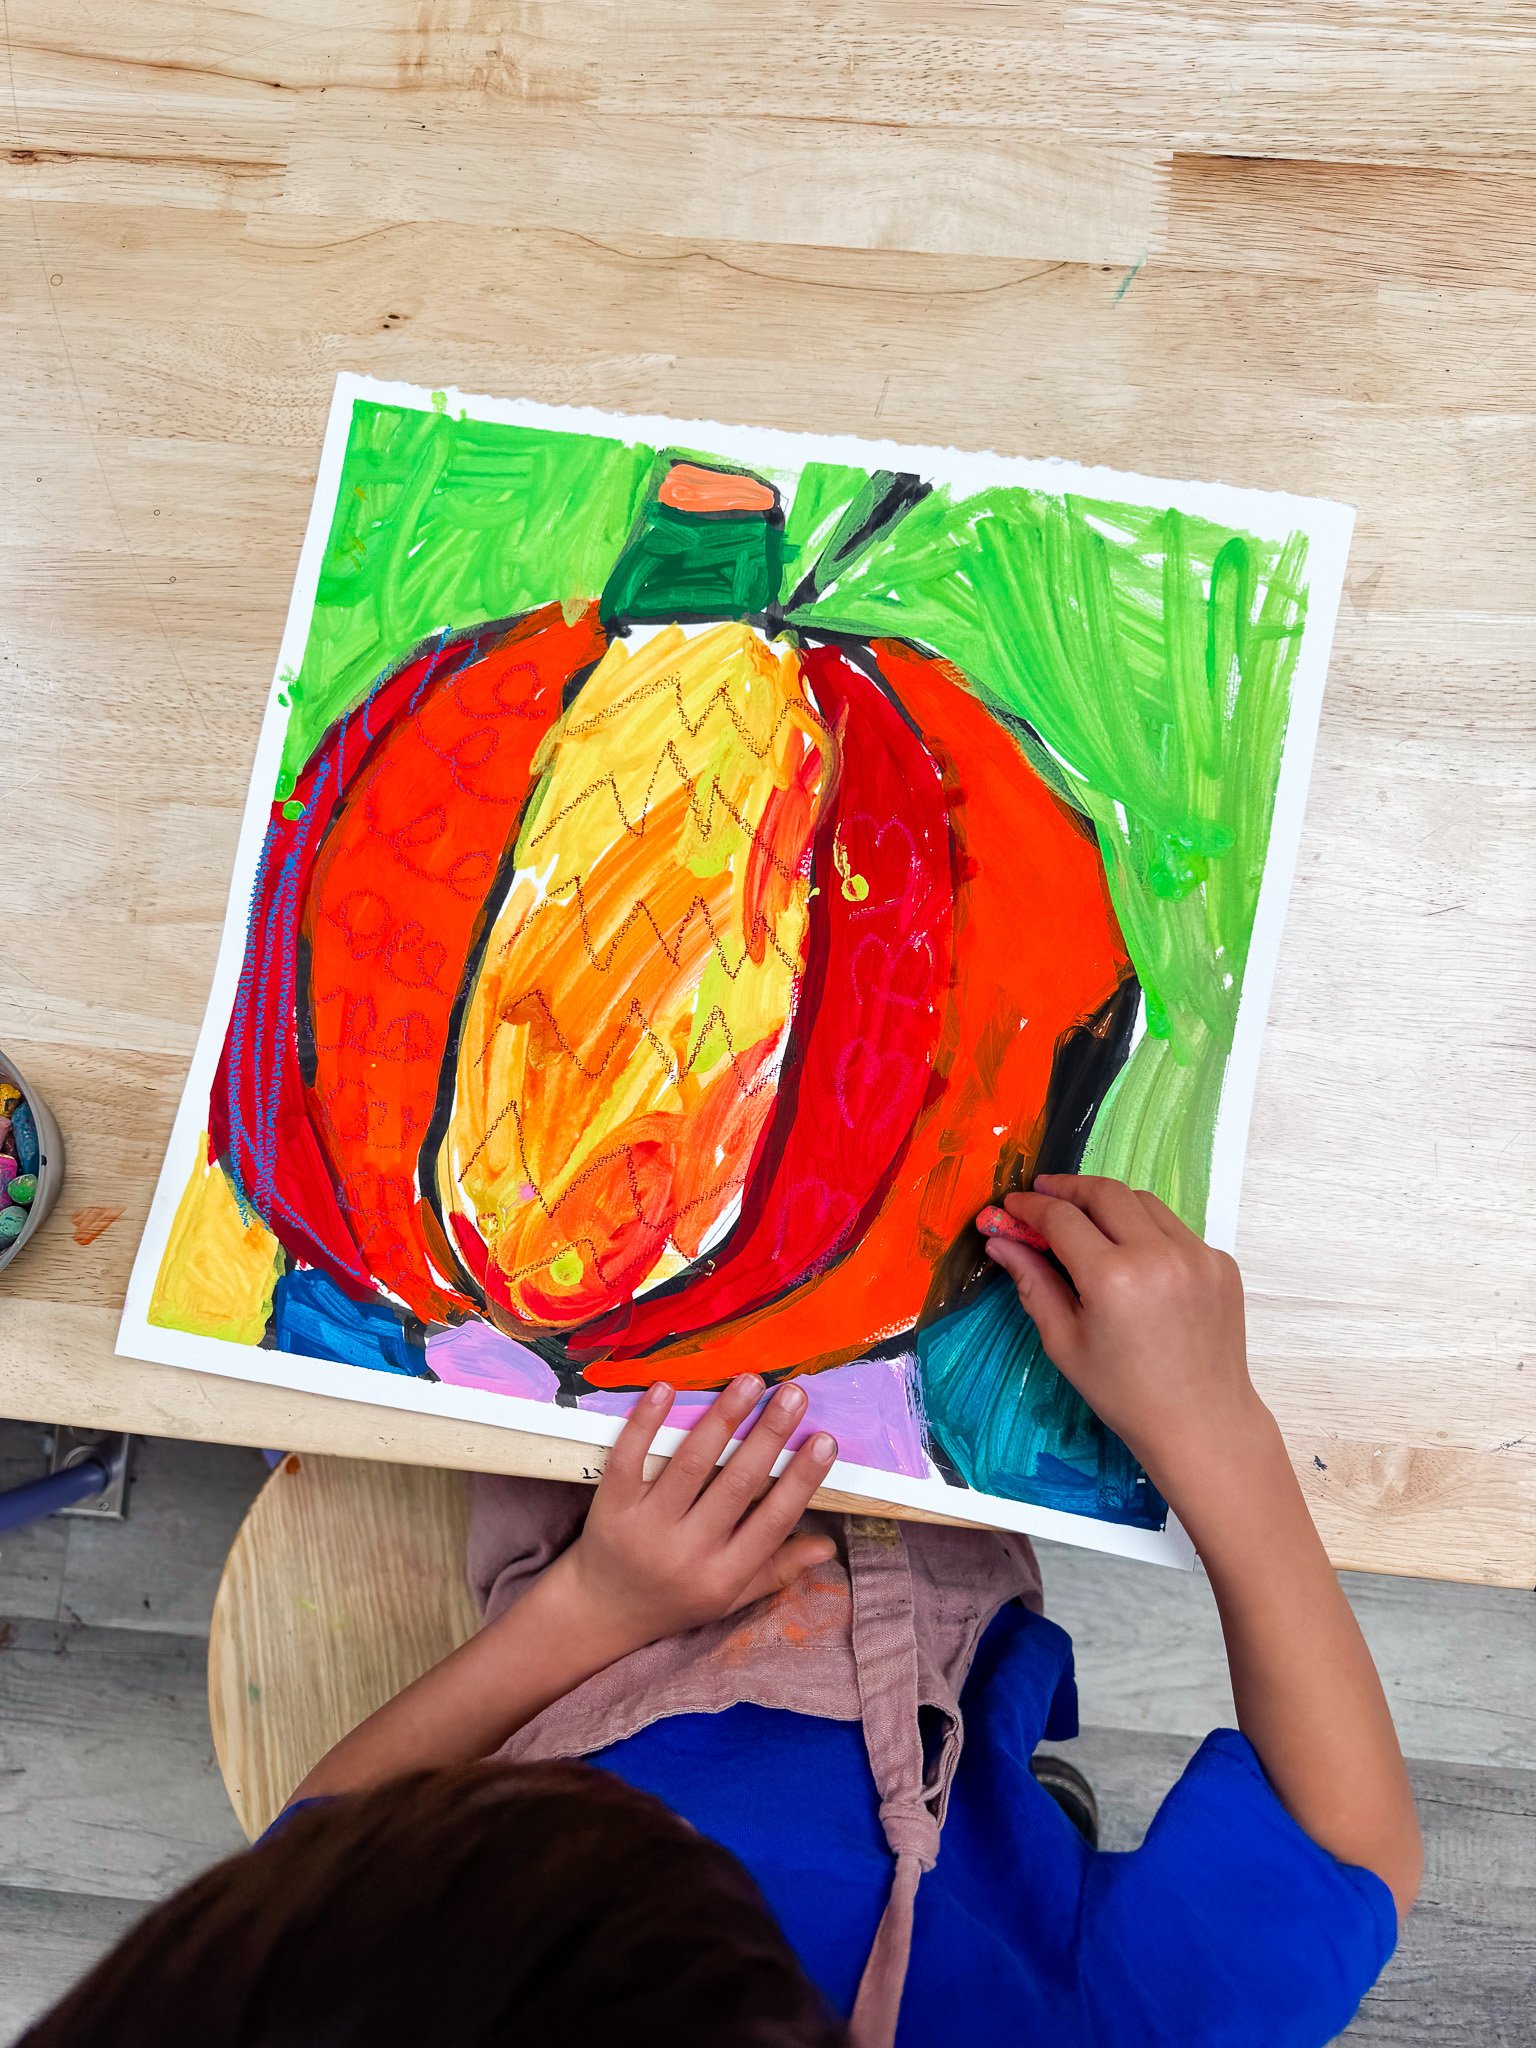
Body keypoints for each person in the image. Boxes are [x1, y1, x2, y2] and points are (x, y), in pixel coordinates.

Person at [22, 1174, 1421, 2048]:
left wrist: (592, 1608)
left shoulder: (343, 1984)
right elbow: (1352, 1850)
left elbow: (326, 1824)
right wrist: (1214, 1427)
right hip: (921, 1591)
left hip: (592, 1572)